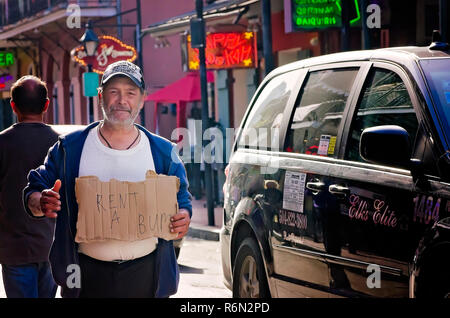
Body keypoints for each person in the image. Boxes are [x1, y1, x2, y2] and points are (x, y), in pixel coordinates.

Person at [23, 61, 192, 298]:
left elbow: (182, 199)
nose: (122, 100)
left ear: (142, 99)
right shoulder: (70, 149)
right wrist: (40, 202)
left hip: (147, 277)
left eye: (130, 93)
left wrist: (184, 217)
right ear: (101, 96)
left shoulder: (163, 152)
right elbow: (35, 188)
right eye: (114, 91)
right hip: (85, 278)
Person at [0, 75, 58, 298]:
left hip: (14, 249)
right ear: (46, 105)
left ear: (13, 106)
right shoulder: (61, 145)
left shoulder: (2, 143)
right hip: (51, 247)